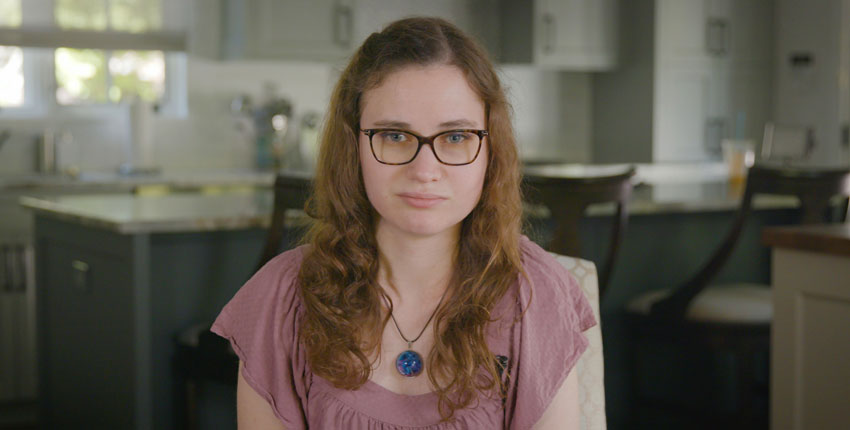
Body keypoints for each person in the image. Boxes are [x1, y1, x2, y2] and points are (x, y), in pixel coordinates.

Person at [211, 16, 596, 430]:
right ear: (352, 145)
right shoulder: (280, 299)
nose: (424, 169)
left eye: (455, 137)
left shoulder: (536, 296)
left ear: (491, 151)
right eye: (394, 136)